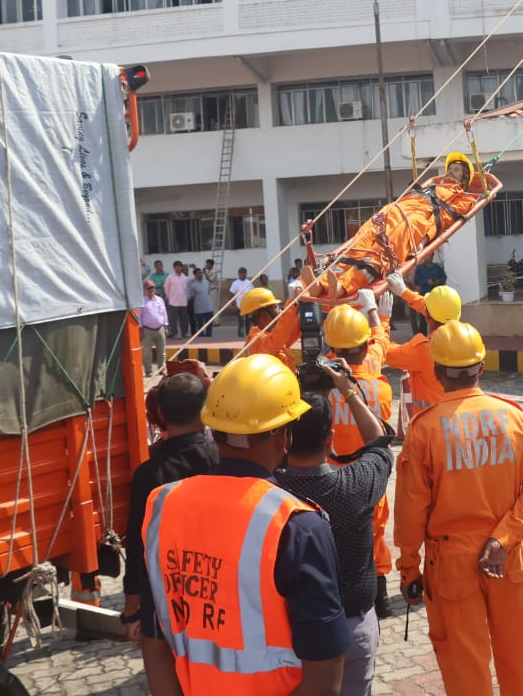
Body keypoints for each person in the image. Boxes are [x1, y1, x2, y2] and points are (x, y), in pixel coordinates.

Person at [142, 354, 350, 694]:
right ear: (284, 437)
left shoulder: (162, 505)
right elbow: (325, 671)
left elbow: (154, 640)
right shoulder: (297, 526)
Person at [394, 321, 523, 696]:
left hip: (450, 563)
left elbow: (411, 509)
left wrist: (409, 568)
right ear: (481, 366)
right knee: (520, 657)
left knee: (464, 666)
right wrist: (504, 538)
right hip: (506, 556)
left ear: (436, 371)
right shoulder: (514, 417)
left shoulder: (424, 429)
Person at [275, 364, 393, 696]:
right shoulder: (355, 486)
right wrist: (348, 391)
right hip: (353, 626)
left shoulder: (269, 491)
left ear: (284, 439)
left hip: (289, 630)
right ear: (330, 440)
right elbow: (379, 443)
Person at [122, 367, 219, 696]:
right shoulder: (220, 460)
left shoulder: (148, 473)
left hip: (164, 590)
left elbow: (137, 544)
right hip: (216, 582)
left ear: (161, 413)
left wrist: (132, 607)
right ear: (205, 411)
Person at [302, 154, 485, 300]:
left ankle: (343, 287)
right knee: (364, 238)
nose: (451, 171)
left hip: (415, 220)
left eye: (456, 170)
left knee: (383, 249)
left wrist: (423, 242)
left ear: (464, 177)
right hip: (396, 210)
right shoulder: (432, 187)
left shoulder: (463, 198)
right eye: (450, 168)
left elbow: (442, 220)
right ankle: (324, 283)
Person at [322, 295, 394, 619]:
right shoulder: (380, 387)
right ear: (364, 347)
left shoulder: (319, 388)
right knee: (374, 533)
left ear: (330, 348)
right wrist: (378, 316)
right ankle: (381, 597)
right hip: (370, 480)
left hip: (331, 481)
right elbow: (379, 347)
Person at [383, 274, 462, 436]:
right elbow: (433, 310)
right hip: (456, 423)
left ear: (428, 317)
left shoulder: (423, 350)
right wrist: (404, 292)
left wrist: (381, 319)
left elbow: (384, 352)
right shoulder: (463, 336)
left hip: (430, 429)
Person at [240, 287, 300, 369]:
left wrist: (307, 304)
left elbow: (291, 331)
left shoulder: (268, 335)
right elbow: (281, 333)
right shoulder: (256, 342)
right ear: (264, 315)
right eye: (275, 307)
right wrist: (292, 303)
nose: (280, 311)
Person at [411, 255, 447, 336]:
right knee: (423, 316)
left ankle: (437, 335)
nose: (429, 258)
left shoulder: (437, 267)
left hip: (435, 295)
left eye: (431, 256)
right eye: (427, 256)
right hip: (424, 295)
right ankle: (423, 336)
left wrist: (437, 281)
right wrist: (426, 281)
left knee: (436, 316)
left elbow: (444, 278)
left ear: (433, 257)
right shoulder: (420, 268)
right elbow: (416, 281)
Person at [138, 280, 168, 377]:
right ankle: (148, 371)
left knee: (162, 351)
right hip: (147, 330)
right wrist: (140, 330)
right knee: (147, 352)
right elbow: (139, 316)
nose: (151, 290)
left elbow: (164, 313)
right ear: (145, 290)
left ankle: (161, 369)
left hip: (160, 328)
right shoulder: (142, 301)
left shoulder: (160, 300)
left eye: (152, 287)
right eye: (149, 288)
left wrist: (166, 326)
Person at [164, 261, 191, 340]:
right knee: (173, 319)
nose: (178, 268)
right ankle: (174, 333)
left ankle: (184, 333)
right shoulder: (170, 277)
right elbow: (166, 287)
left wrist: (187, 297)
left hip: (183, 301)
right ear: (174, 268)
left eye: (179, 266)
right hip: (173, 301)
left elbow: (187, 290)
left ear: (181, 267)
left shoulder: (185, 278)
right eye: (176, 266)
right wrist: (169, 297)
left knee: (184, 318)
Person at [228, 267, 254, 338]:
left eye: (244, 273)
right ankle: (240, 339)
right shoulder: (235, 283)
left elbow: (253, 293)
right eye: (241, 273)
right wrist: (234, 305)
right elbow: (230, 295)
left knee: (248, 324)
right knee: (241, 324)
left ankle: (249, 338)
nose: (243, 275)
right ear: (239, 274)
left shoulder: (249, 283)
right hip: (240, 307)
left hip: (248, 307)